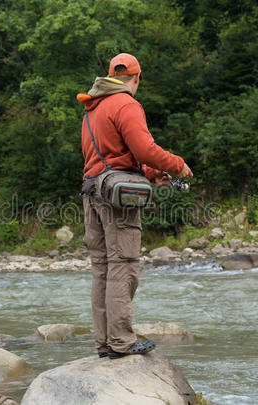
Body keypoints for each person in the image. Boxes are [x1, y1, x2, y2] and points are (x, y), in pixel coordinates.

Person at [77, 53, 193, 359]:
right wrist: (177, 165)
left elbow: (112, 157)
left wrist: (154, 173)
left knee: (102, 269)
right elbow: (144, 149)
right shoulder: (126, 104)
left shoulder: (93, 108)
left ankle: (105, 343)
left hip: (91, 193)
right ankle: (122, 342)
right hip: (116, 201)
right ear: (136, 78)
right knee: (123, 265)